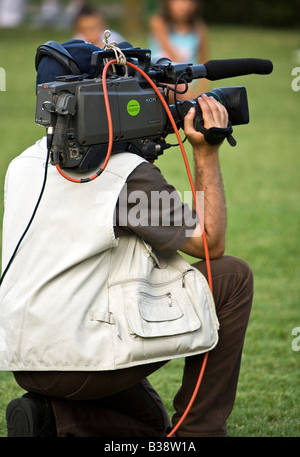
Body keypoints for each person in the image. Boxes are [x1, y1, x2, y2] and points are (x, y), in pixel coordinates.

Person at [1, 40, 253, 438]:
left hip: (26, 357)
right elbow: (210, 242)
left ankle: (53, 419)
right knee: (232, 275)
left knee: (148, 424)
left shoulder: (23, 163)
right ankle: (199, 434)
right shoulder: (126, 174)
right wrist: (206, 151)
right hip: (82, 358)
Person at [149, 0, 210, 99]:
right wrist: (188, 90)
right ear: (167, 1)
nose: (185, 5)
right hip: (162, 79)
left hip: (188, 82)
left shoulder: (199, 28)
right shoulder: (159, 22)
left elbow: (204, 61)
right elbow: (172, 54)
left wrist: (201, 93)